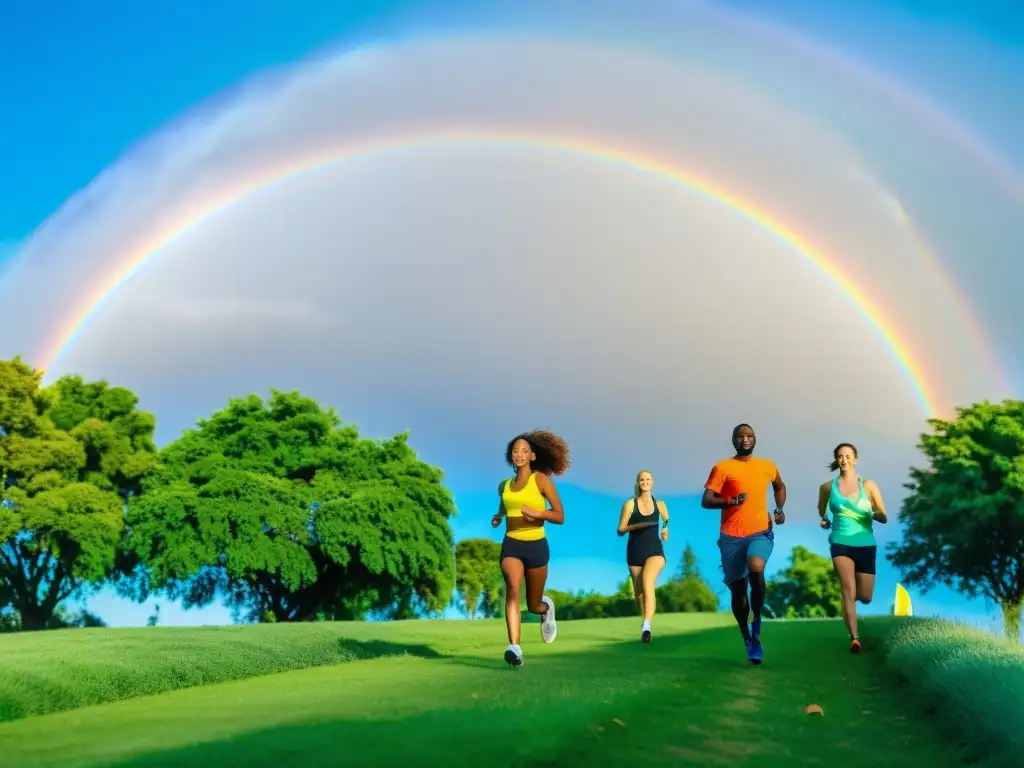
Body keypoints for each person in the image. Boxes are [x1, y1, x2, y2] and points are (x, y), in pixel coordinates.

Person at [701, 423, 786, 665]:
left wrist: (779, 509)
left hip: (760, 532)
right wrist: (731, 500)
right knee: (738, 592)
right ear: (734, 440)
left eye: (749, 435)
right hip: (730, 537)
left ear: (755, 439)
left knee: (756, 565)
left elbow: (779, 486)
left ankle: (757, 619)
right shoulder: (723, 468)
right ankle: (748, 638)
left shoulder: (768, 466)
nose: (746, 439)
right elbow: (706, 500)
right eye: (741, 436)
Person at [491, 429, 571, 668]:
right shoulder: (504, 486)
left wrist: (537, 513)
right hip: (512, 543)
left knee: (533, 604)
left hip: (536, 545)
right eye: (515, 450)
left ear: (533, 456)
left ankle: (545, 609)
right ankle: (514, 648)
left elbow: (560, 515)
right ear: (510, 456)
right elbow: (505, 505)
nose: (519, 454)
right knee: (512, 588)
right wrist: (498, 517)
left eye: (524, 450)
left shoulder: (541, 481)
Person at [817, 442, 888, 654]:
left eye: (848, 456)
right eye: (840, 456)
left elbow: (883, 515)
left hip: (865, 543)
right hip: (840, 542)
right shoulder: (828, 488)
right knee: (848, 588)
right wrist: (824, 521)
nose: (844, 460)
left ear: (855, 459)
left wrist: (873, 513)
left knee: (864, 596)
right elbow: (822, 512)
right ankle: (855, 639)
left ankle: (849, 603)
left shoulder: (869, 486)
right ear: (836, 460)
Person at [617, 470, 670, 643]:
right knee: (639, 593)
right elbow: (620, 530)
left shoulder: (660, 504)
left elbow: (666, 520)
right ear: (638, 483)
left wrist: (664, 529)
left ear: (652, 482)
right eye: (642, 479)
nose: (645, 482)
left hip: (655, 551)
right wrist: (638, 526)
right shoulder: (630, 505)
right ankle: (645, 623)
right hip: (634, 553)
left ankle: (647, 626)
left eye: (648, 479)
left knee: (648, 582)